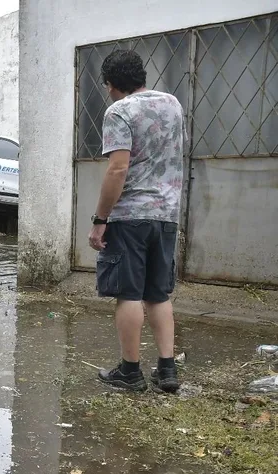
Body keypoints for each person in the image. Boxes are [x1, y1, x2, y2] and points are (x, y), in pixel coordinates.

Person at [88, 50, 184, 393]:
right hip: (167, 214)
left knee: (128, 293)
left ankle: (130, 371)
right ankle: (167, 370)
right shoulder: (172, 104)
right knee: (158, 294)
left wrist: (100, 219)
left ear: (111, 84)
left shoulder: (119, 111)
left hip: (131, 216)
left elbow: (118, 169)